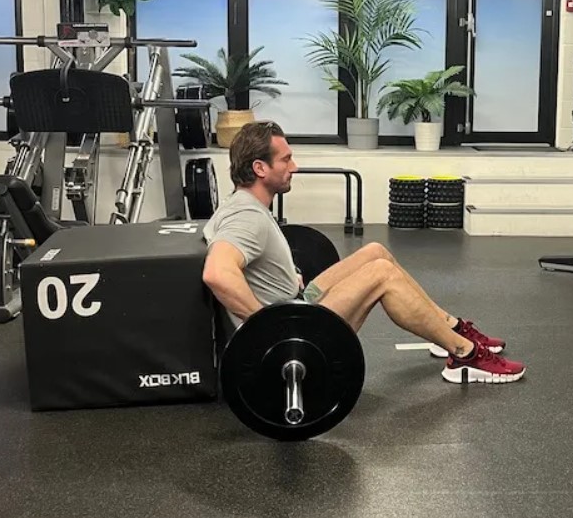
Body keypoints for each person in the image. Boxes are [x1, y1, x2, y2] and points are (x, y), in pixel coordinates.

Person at [202, 121, 525, 384]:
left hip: (297, 301)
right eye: (286, 159)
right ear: (260, 168)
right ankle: (465, 355)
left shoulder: (240, 205)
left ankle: (447, 326)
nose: (294, 167)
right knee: (382, 276)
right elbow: (217, 273)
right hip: (295, 333)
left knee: (375, 252)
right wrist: (268, 326)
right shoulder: (245, 217)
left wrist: (282, 275)